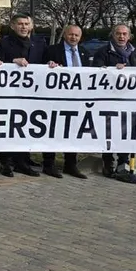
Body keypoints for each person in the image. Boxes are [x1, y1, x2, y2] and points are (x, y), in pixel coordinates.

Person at [0, 14, 43, 178]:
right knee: (8, 127)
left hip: (30, 94)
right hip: (10, 93)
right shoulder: (3, 43)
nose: (23, 27)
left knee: (26, 126)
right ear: (13, 26)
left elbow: (45, 63)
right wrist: (13, 61)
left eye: (26, 24)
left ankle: (23, 161)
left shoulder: (39, 44)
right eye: (20, 24)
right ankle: (6, 163)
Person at [93, 24, 136, 183]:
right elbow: (96, 71)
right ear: (113, 35)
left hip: (128, 100)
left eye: (124, 34)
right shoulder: (103, 52)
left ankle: (124, 163)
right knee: (109, 131)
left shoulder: (133, 52)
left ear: (129, 36)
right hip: (109, 100)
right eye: (118, 34)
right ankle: (108, 162)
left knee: (126, 130)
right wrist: (112, 70)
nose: (121, 37)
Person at [41, 25, 90, 179]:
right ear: (64, 35)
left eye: (76, 35)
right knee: (53, 130)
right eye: (70, 34)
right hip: (56, 99)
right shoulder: (52, 51)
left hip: (77, 99)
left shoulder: (85, 53)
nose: (73, 37)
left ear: (80, 37)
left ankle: (70, 164)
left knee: (73, 131)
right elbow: (40, 69)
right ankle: (48, 164)